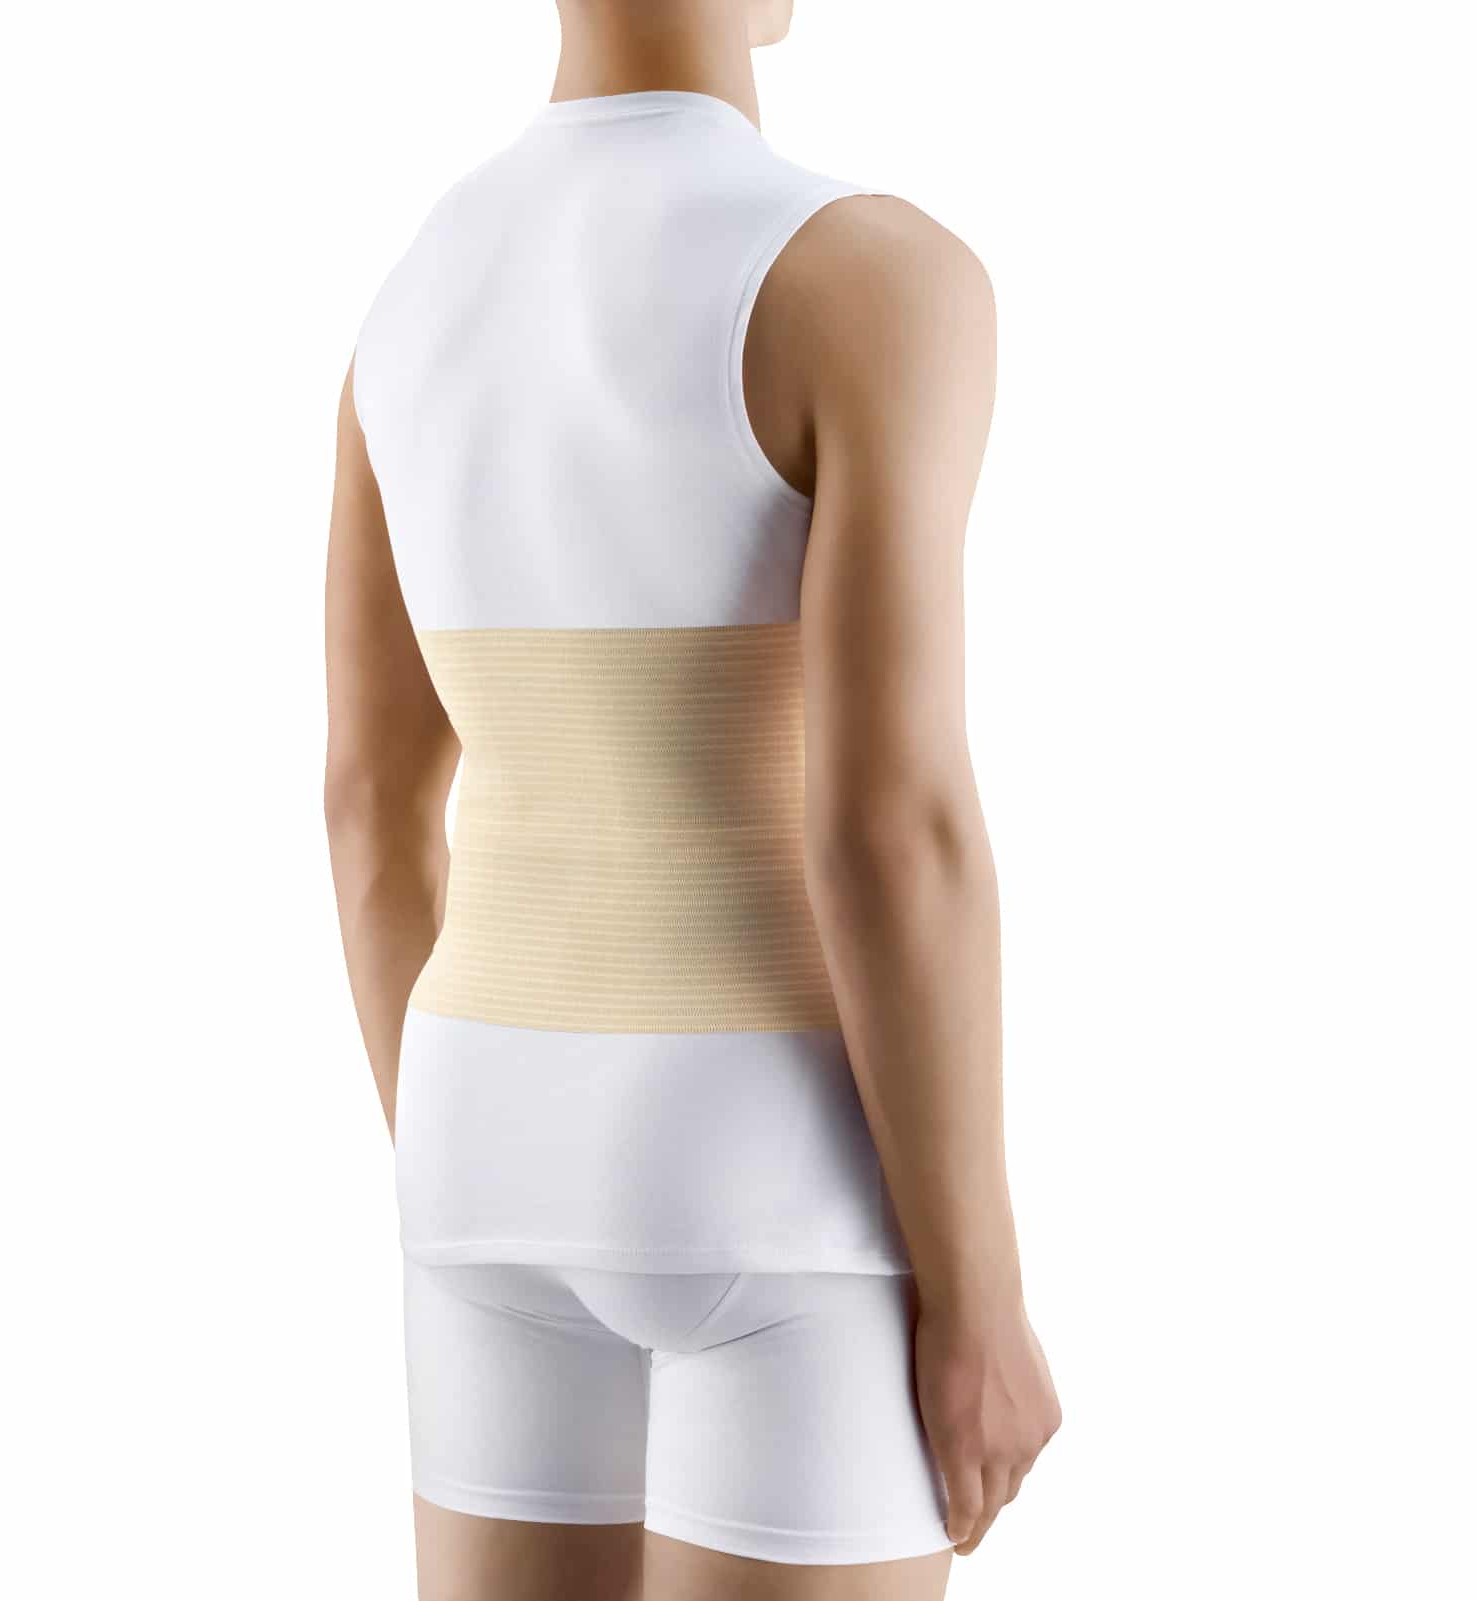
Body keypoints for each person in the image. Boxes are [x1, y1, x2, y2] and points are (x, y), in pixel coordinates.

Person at [324, 2, 1060, 1595]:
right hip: (774, 1175)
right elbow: (892, 825)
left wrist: (485, 1165)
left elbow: (372, 808)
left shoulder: (412, 296)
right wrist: (981, 1292)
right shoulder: (873, 277)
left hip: (480, 1142)